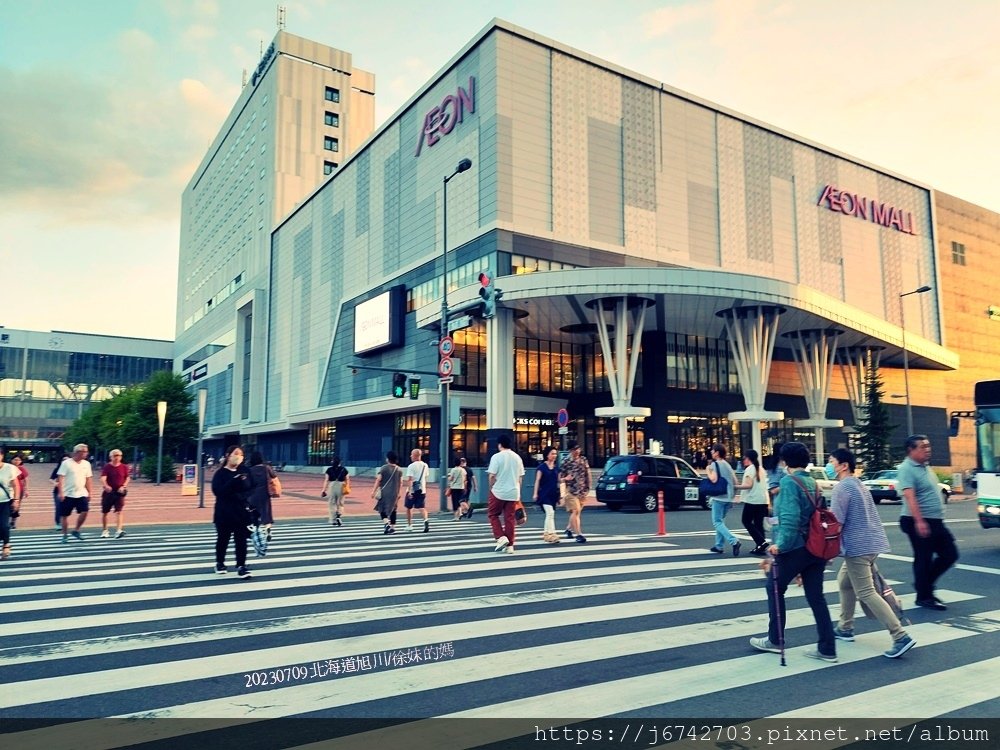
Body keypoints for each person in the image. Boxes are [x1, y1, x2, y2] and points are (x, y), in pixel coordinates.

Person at [750, 441, 837, 663]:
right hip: (816, 547)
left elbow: (789, 518)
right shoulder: (812, 482)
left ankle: (775, 638)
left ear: (785, 461)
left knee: (774, 587)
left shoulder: (789, 482)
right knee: (816, 596)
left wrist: (781, 546)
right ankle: (827, 647)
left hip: (795, 546)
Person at [828, 448, 916, 658]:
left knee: (866, 592)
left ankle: (899, 635)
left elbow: (836, 523)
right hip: (871, 543)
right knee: (844, 582)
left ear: (843, 465)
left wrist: (828, 551)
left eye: (832, 462)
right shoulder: (859, 485)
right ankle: (845, 627)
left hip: (857, 547)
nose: (829, 466)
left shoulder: (842, 488)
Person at [897, 434, 958, 611]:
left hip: (934, 521)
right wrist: (919, 521)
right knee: (923, 558)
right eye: (922, 447)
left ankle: (923, 585)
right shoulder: (907, 468)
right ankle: (924, 596)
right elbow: (910, 496)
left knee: (950, 554)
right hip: (918, 520)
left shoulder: (924, 466)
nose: (927, 449)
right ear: (911, 450)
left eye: (928, 446)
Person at [211, 445, 253, 578]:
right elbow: (218, 491)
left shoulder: (245, 471)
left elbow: (252, 487)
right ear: (228, 455)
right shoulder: (221, 473)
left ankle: (241, 565)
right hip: (224, 512)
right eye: (236, 454)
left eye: (241, 455)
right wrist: (233, 481)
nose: (238, 457)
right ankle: (220, 562)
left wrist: (244, 496)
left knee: (241, 539)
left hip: (241, 511)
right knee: (223, 539)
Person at [487, 434, 525, 553]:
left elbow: (492, 476)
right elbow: (520, 478)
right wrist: (518, 492)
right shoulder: (517, 458)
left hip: (499, 491)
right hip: (514, 492)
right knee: (509, 519)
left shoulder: (496, 457)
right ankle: (510, 546)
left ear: (500, 445)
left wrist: (491, 487)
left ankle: (501, 537)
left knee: (493, 514)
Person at [707, 444, 741, 556]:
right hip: (728, 498)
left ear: (717, 453)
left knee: (717, 522)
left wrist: (708, 470)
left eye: (713, 451)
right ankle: (719, 546)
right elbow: (735, 482)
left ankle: (734, 541)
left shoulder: (714, 464)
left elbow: (713, 479)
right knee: (721, 521)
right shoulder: (727, 465)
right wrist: (732, 496)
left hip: (719, 497)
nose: (711, 453)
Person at [57, 443, 93, 544]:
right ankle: (64, 535)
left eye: (86, 451)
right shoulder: (66, 463)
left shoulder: (86, 464)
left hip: (81, 493)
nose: (86, 453)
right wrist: (61, 492)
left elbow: (88, 479)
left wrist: (90, 492)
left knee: (85, 511)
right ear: (77, 452)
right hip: (68, 493)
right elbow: (61, 478)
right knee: (65, 515)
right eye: (84, 452)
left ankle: (76, 530)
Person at [738, 449, 769, 555]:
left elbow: (748, 485)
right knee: (758, 523)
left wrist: (735, 486)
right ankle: (760, 546)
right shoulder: (761, 469)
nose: (743, 461)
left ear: (748, 458)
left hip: (752, 500)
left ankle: (761, 542)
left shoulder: (750, 469)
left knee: (746, 521)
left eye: (744, 458)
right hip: (762, 500)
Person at [560, 440, 591, 543]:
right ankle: (579, 534)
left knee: (577, 512)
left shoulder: (583, 459)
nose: (577, 451)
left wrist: (588, 486)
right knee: (575, 510)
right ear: (570, 450)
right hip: (571, 490)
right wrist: (565, 479)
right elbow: (560, 477)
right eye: (574, 449)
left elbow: (588, 473)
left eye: (578, 449)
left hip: (582, 490)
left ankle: (569, 529)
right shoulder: (566, 461)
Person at [99, 449, 130, 539]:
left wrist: (123, 486)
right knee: (105, 512)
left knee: (119, 511)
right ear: (111, 457)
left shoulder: (124, 467)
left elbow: (127, 478)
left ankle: (119, 530)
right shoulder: (107, 467)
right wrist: (106, 486)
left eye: (119, 455)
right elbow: (103, 478)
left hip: (119, 492)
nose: (117, 457)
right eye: (115, 455)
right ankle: (105, 530)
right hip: (109, 493)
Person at [533, 445, 561, 544]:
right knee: (550, 513)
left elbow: (559, 481)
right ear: (547, 455)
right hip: (544, 494)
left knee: (550, 514)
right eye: (552, 454)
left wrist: (561, 493)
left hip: (553, 494)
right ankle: (552, 533)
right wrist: (535, 493)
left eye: (555, 454)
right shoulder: (542, 467)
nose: (554, 456)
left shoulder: (556, 468)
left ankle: (546, 534)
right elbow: (537, 480)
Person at [372, 451, 403, 534]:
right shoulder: (399, 469)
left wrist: (373, 491)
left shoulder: (384, 468)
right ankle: (393, 527)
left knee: (381, 508)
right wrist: (399, 492)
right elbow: (401, 482)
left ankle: (386, 523)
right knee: (393, 509)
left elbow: (378, 480)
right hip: (395, 493)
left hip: (384, 492)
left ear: (388, 459)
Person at [247, 451, 276, 539]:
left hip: (253, 496)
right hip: (265, 495)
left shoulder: (250, 470)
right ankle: (268, 530)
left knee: (253, 513)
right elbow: (274, 477)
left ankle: (254, 530)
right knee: (266, 514)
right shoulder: (267, 468)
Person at [0, 446, 22, 560]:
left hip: (5, 501)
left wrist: (16, 500)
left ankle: (6, 545)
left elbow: (15, 485)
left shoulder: (10, 468)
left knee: (4, 525)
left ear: (2, 456)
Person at [403, 448, 431, 533]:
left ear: (415, 456)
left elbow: (410, 479)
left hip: (413, 489)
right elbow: (426, 477)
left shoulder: (411, 466)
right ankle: (425, 520)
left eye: (412, 454)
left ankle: (409, 525)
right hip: (422, 489)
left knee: (409, 507)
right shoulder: (425, 465)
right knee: (422, 507)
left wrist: (410, 491)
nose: (410, 456)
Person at [321, 455, 349, 526]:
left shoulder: (329, 469)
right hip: (341, 485)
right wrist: (347, 486)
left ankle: (333, 519)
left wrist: (323, 490)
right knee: (340, 502)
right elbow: (347, 479)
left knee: (332, 503)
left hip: (332, 485)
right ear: (340, 462)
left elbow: (326, 480)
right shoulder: (344, 469)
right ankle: (339, 515)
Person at [50, 454, 68, 529]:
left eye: (67, 459)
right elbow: (50, 479)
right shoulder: (57, 469)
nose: (65, 461)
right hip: (57, 491)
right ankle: (58, 523)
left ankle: (64, 522)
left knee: (65, 507)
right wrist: (55, 483)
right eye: (63, 459)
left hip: (67, 491)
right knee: (58, 507)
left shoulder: (71, 469)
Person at [10, 455, 27, 530]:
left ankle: (13, 522)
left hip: (19, 490)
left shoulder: (22, 469)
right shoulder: (7, 468)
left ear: (21, 461)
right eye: (15, 459)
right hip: (9, 490)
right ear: (11, 460)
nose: (16, 461)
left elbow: (25, 480)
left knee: (16, 506)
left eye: (18, 460)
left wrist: (26, 490)